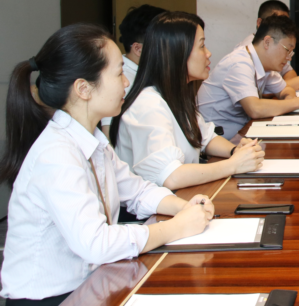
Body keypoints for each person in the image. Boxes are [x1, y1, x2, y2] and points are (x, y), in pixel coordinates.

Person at [0, 24, 213, 305]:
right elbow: (96, 243)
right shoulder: (56, 154)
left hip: (91, 283)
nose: (126, 82)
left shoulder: (93, 140)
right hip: (51, 298)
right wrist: (176, 228)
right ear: (83, 88)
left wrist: (183, 208)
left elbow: (136, 191)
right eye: (118, 73)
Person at [111, 12, 265, 190]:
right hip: (159, 205)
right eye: (202, 46)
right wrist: (233, 164)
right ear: (176, 53)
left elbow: (206, 137)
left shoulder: (175, 94)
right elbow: (171, 176)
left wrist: (235, 150)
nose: (208, 53)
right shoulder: (148, 104)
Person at [198, 15, 299, 139]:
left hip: (242, 133)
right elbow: (255, 109)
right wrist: (298, 102)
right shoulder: (240, 63)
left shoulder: (263, 64)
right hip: (216, 140)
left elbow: (286, 89)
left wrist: (290, 101)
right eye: (287, 50)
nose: (289, 58)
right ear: (267, 42)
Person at [101, 4, 166, 134]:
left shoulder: (151, 73)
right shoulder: (121, 82)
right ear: (138, 49)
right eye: (164, 44)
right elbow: (109, 135)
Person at [235, 0, 299, 89]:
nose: (283, 27)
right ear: (260, 23)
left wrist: (287, 88)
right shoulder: (246, 54)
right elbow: (261, 94)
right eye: (276, 21)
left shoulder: (276, 49)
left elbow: (288, 73)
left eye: (285, 23)